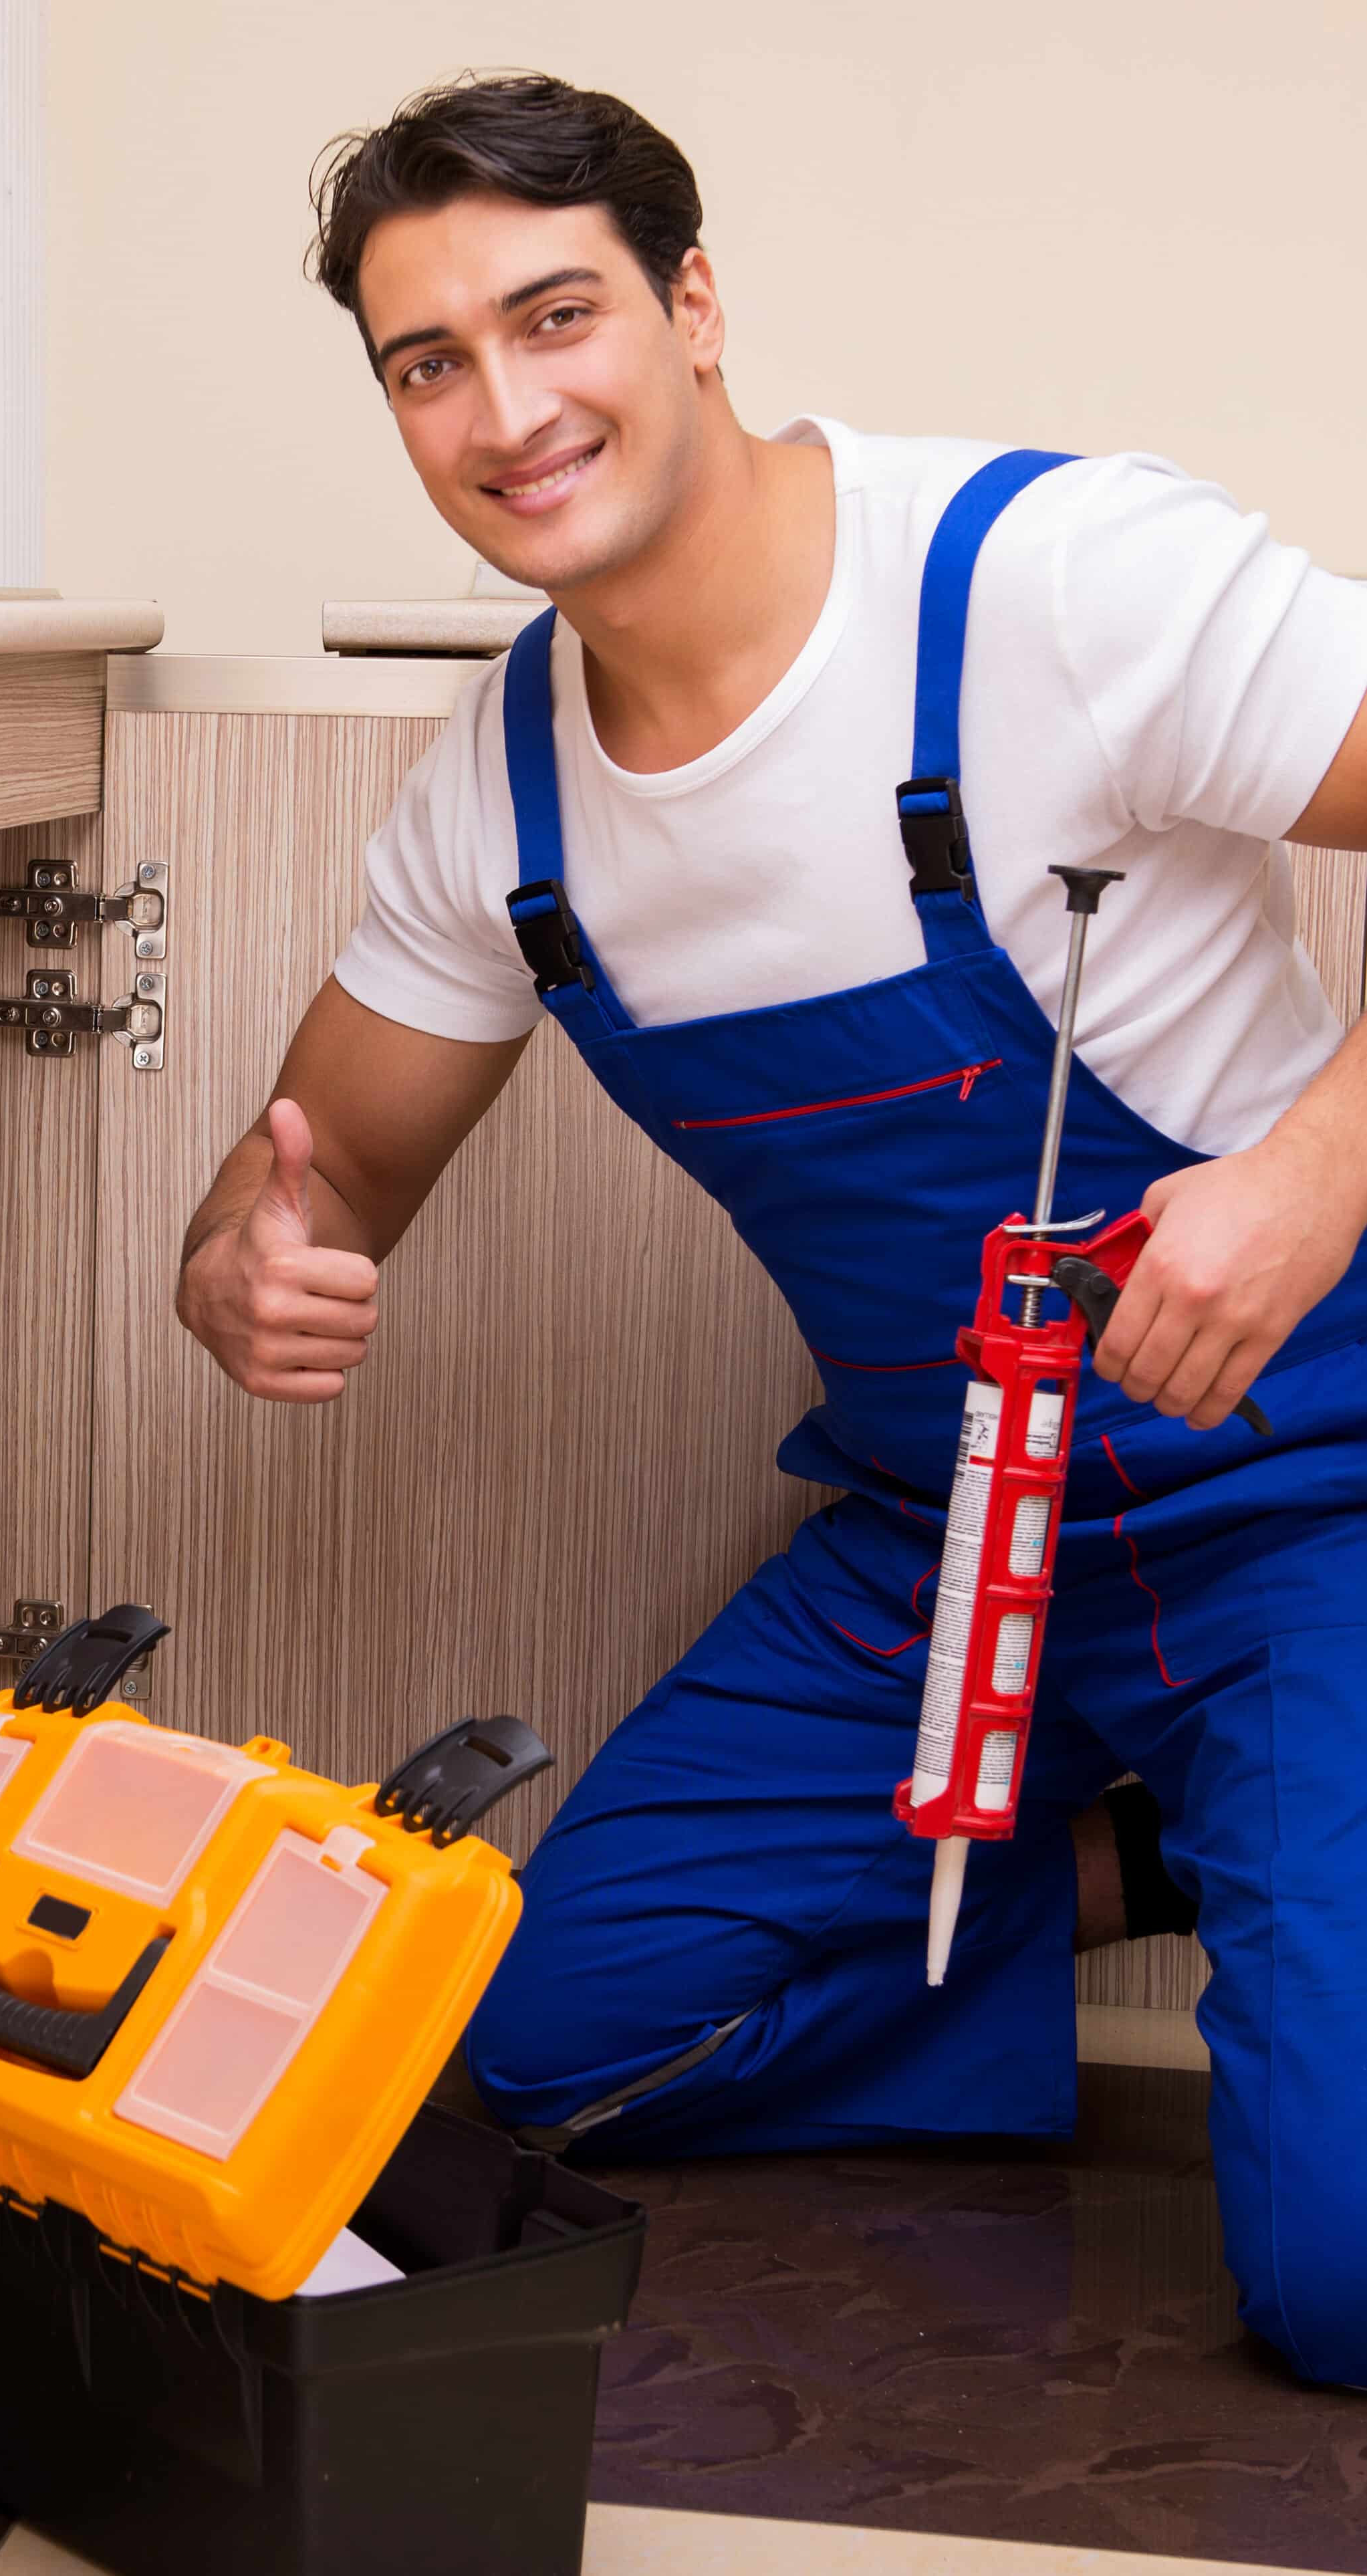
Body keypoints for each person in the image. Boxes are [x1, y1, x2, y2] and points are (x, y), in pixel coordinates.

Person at [174, 74, 1367, 2385]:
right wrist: (238, 1252)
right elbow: (308, 1167)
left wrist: (1313, 1174)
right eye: (429, 362)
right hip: (945, 1554)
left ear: (692, 303)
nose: (506, 411)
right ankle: (1182, 1867)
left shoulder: (1050, 582)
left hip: (1313, 1499)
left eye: (556, 315)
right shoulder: (497, 799)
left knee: (1338, 2291)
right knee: (493, 2070)